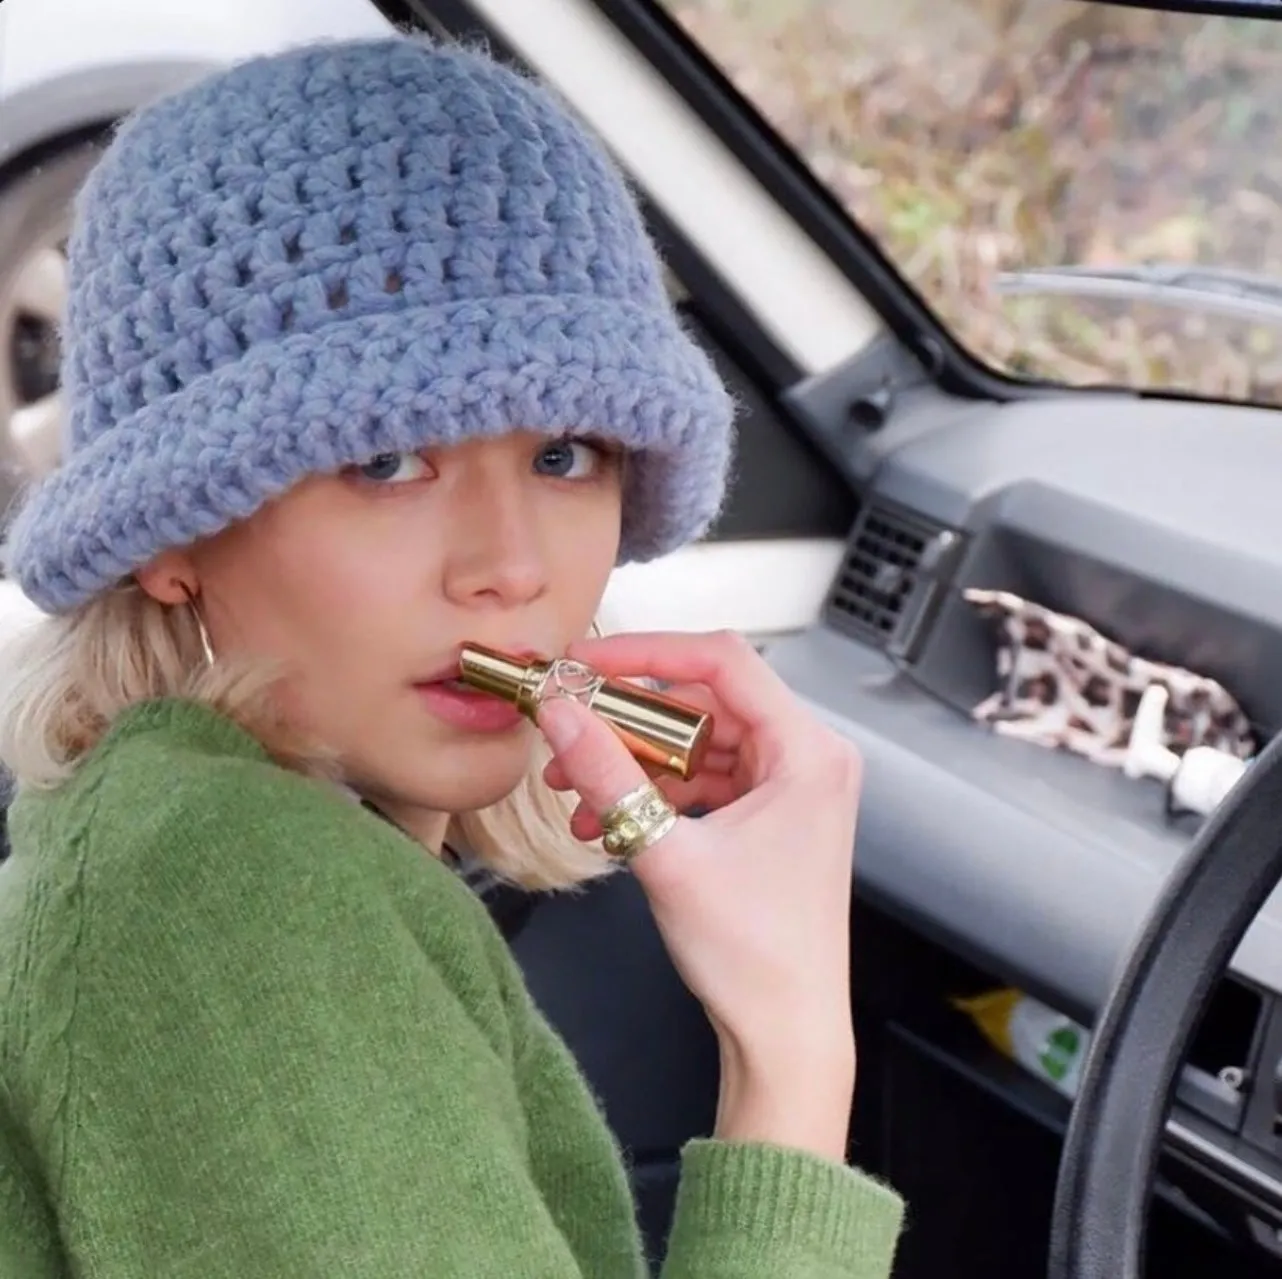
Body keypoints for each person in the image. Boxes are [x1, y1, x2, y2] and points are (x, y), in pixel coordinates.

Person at [0, 34, 904, 1279]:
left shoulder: (185, 836)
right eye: (387, 461)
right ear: (174, 533)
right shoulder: (239, 894)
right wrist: (793, 1049)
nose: (509, 566)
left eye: (563, 454)